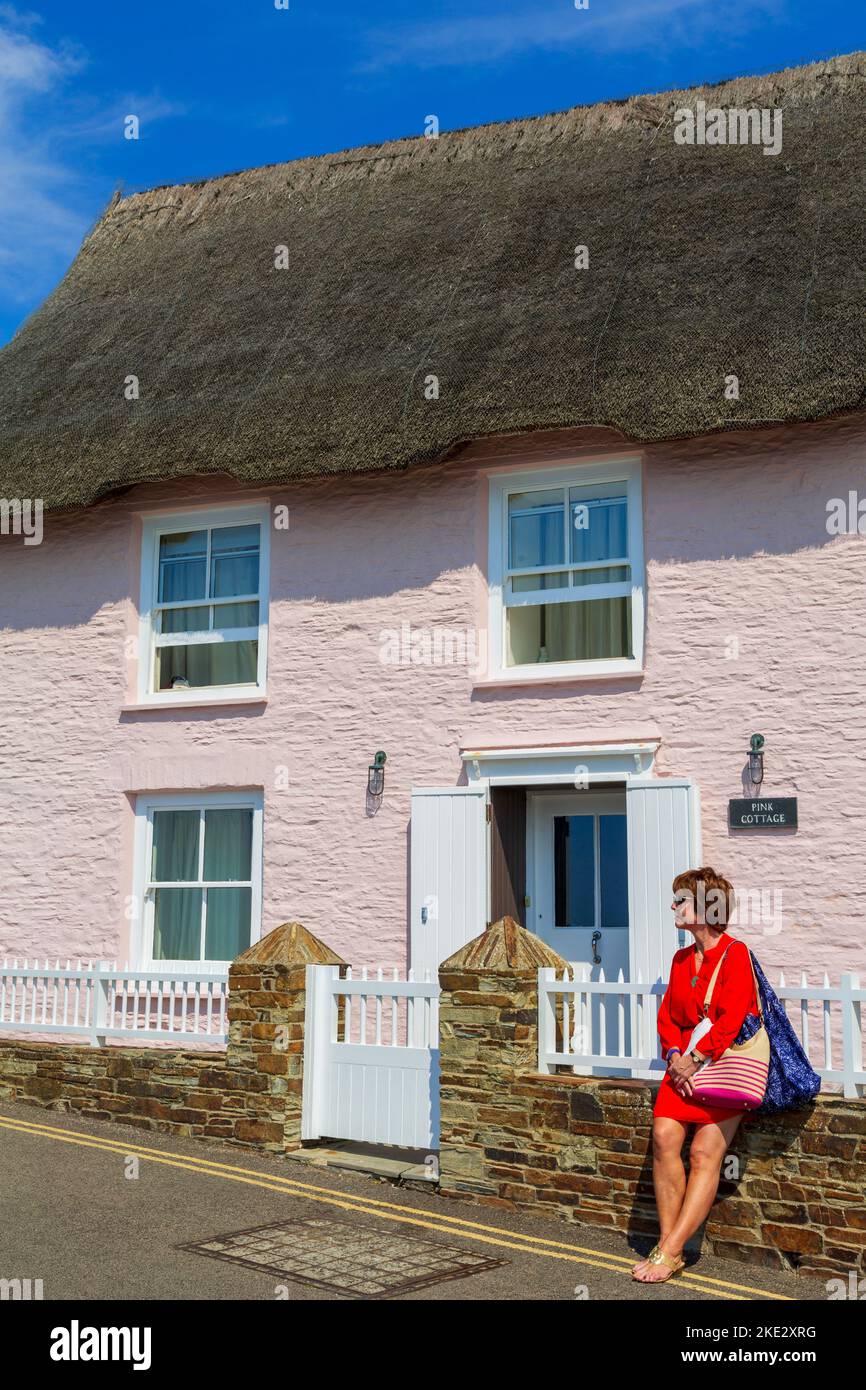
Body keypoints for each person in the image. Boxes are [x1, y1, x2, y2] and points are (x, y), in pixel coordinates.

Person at [632, 866, 760, 1284]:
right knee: (664, 1138)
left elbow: (733, 1016)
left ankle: (667, 1252)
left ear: (708, 907)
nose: (673, 906)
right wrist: (674, 1054)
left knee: (705, 1155)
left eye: (681, 899)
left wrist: (696, 1057)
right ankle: (671, 1245)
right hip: (681, 1066)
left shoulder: (735, 953)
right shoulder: (681, 958)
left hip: (722, 1069)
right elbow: (669, 1014)